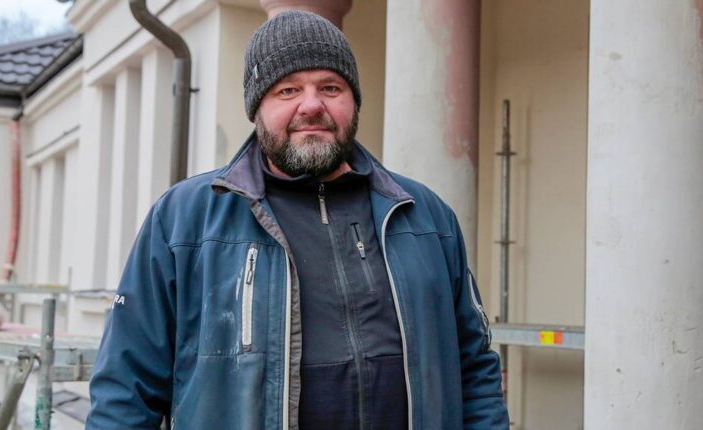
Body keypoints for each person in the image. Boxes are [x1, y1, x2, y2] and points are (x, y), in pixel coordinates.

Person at [86, 10, 508, 430]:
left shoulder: (425, 216)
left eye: (330, 87)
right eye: (287, 90)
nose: (312, 105)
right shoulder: (184, 221)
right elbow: (126, 390)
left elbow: (474, 368)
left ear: (353, 101)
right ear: (257, 108)